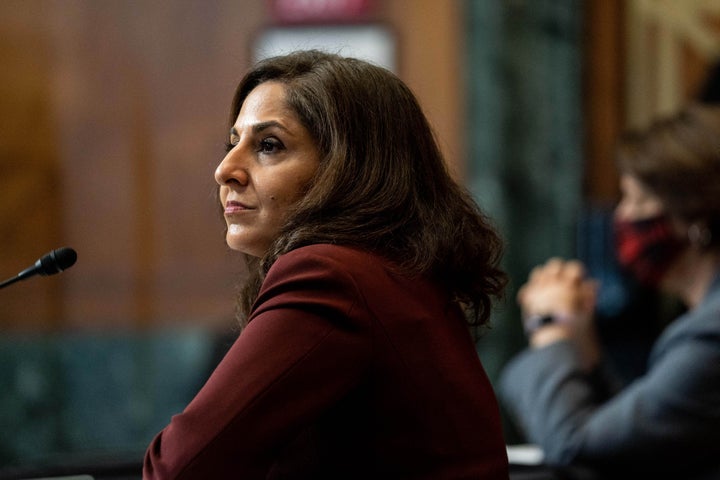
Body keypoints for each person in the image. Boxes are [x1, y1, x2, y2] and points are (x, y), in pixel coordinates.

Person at [143, 50, 509, 479]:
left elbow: (180, 468)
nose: (226, 169)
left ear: (350, 170)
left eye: (268, 146)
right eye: (233, 142)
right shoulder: (391, 273)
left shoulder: (329, 276)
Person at [500, 104, 720, 479]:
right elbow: (641, 438)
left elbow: (578, 446)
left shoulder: (711, 333)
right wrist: (581, 350)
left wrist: (550, 327)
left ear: (694, 213)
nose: (621, 216)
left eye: (636, 199)